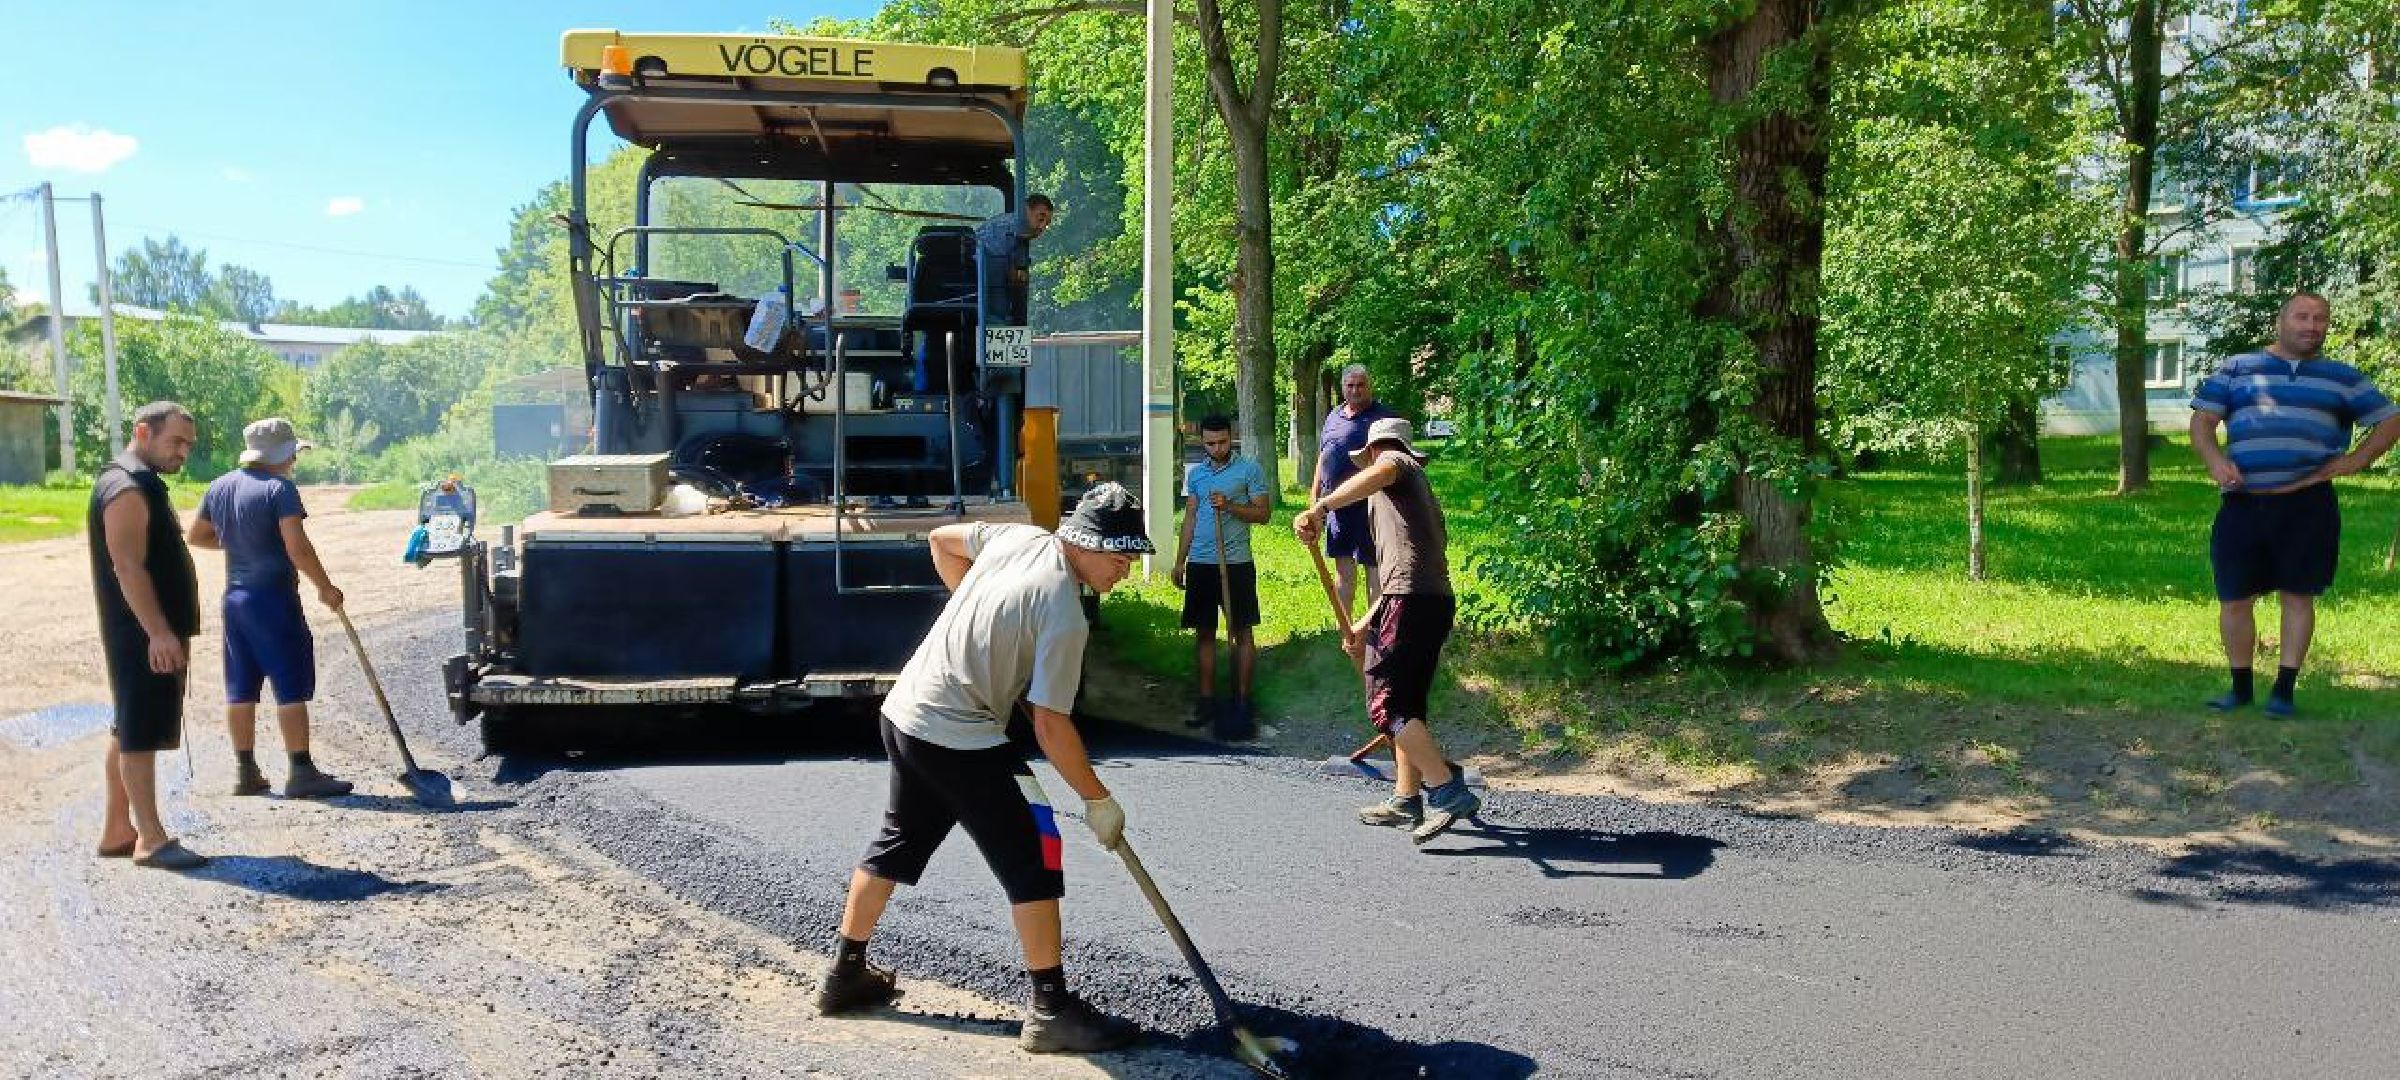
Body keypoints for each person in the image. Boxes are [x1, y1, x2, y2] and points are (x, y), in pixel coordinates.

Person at [819, 483, 1150, 1055]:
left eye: (1130, 559)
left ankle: (844, 974)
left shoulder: (1017, 538)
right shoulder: (1065, 613)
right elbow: (1050, 725)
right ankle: (1051, 1010)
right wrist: (1097, 798)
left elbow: (941, 541)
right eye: (1118, 557)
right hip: (957, 735)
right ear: (1085, 543)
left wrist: (981, 625)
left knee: (901, 838)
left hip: (905, 713)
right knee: (1036, 851)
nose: (1124, 570)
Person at [2190, 291, 2400, 716]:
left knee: (2298, 596)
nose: (2311, 325)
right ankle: (2240, 689)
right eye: (2302, 317)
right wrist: (2215, 461)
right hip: (2243, 504)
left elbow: (2390, 419)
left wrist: (2357, 460)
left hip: (2308, 503)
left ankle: (2283, 692)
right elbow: (2203, 421)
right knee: (2234, 598)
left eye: (2320, 319)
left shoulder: (2342, 377)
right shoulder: (2238, 368)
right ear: (2280, 322)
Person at [1294, 417, 1480, 845]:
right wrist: (1363, 625)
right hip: (1425, 601)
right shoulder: (1409, 503)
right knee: (1408, 704)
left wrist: (1321, 507)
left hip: (1412, 603)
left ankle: (1447, 791)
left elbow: (1384, 469)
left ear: (1375, 450)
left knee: (1387, 705)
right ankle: (1406, 798)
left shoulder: (1396, 463)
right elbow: (1404, 575)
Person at [188, 418, 353, 799]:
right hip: (273, 600)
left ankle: (245, 771)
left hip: (236, 601)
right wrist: (325, 587)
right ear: (279, 455)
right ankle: (301, 771)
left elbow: (197, 535)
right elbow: (298, 548)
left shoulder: (220, 486)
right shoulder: (281, 489)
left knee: (241, 686)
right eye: (292, 453)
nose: (294, 460)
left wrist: (242, 542)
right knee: (289, 683)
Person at [89, 401, 208, 870]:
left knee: (128, 726)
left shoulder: (139, 481)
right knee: (138, 733)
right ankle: (151, 840)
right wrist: (158, 632)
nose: (183, 452)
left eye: (188, 445)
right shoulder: (126, 487)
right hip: (141, 634)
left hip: (147, 631)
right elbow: (127, 566)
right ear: (143, 432)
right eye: (175, 441)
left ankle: (118, 830)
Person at [1172, 415, 1271, 738]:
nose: (1217, 448)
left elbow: (1263, 514)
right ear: (1202, 441)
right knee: (1204, 633)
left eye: (1223, 442)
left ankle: (1242, 701)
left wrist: (1229, 506)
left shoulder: (1249, 470)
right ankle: (1206, 701)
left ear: (1232, 438)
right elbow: (1190, 517)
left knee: (1242, 632)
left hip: (1236, 564)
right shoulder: (1197, 474)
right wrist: (1180, 561)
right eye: (1210, 443)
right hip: (1201, 563)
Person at [1314, 364, 1397, 618]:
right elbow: (1323, 458)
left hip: (1372, 505)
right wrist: (1315, 500)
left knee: (1375, 570)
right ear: (1342, 388)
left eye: (1360, 385)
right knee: (1343, 572)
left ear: (1369, 386)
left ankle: (1375, 630)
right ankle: (1345, 629)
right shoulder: (1333, 417)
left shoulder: (1384, 419)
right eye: (1350, 385)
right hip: (1337, 507)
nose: (1355, 390)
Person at [974, 193, 1054, 325]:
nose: (1042, 228)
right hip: (984, 303)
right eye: (1040, 219)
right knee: (999, 320)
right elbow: (1003, 275)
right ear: (1025, 210)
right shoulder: (1005, 231)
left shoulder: (1019, 235)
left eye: (1047, 224)